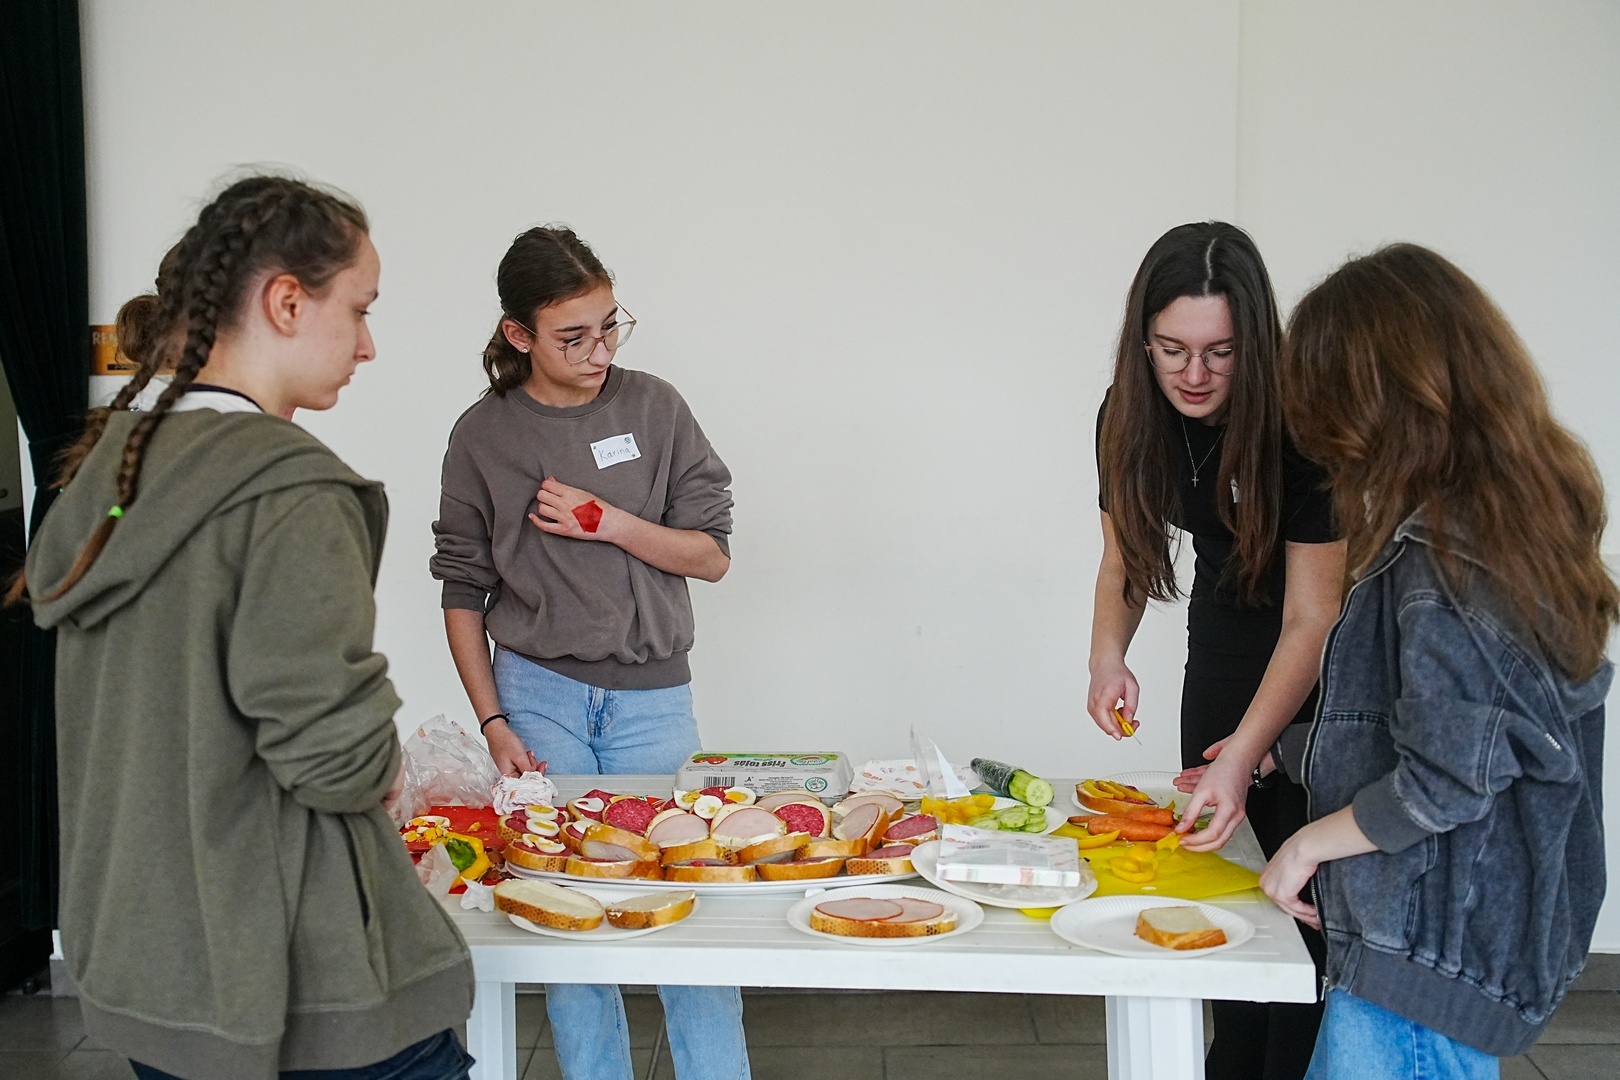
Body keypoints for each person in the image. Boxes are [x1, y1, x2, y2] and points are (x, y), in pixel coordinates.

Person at [9, 175, 476, 1080]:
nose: (369, 344)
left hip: (157, 969)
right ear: (286, 302)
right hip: (303, 980)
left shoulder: (110, 474)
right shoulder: (288, 490)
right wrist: (385, 769)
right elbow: (332, 755)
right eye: (360, 309)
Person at [1256, 243, 1614, 1078]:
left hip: (1422, 962)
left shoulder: (1449, 560)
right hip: (1445, 951)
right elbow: (1449, 725)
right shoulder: (1506, 527)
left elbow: (1448, 776)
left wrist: (1307, 845)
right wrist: (1287, 750)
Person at [431, 225, 746, 1080]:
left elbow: (711, 557)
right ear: (518, 335)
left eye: (610, 327)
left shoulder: (656, 408)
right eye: (573, 336)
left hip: (653, 701)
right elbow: (461, 590)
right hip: (536, 696)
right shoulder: (482, 435)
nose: (600, 352)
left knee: (689, 914)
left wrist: (608, 522)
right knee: (565, 923)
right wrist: (493, 721)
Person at [1086, 221, 1346, 1079]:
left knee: (1303, 917)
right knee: (1225, 892)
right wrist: (1107, 657)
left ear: (1256, 346)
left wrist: (1250, 751)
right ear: (1144, 342)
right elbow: (1125, 559)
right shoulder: (1127, 415)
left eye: (1220, 353)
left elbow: (1314, 616)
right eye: (1172, 350)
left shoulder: (1304, 424)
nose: (1193, 375)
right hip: (1223, 645)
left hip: (1323, 665)